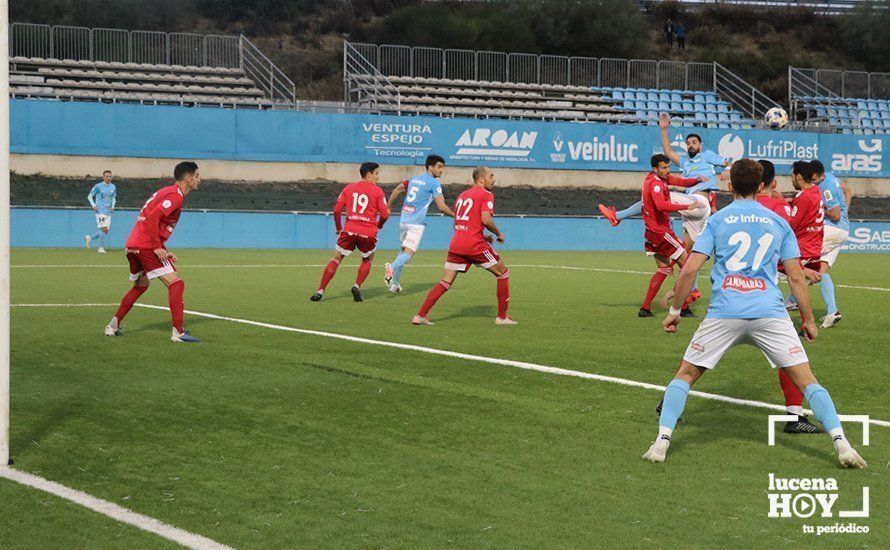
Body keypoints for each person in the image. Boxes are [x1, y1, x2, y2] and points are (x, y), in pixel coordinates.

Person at [642, 159, 866, 469]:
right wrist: (809, 320)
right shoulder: (777, 222)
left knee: (686, 376)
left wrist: (675, 310)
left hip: (725, 312)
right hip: (769, 313)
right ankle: (842, 445)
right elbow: (796, 276)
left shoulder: (718, 221)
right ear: (762, 186)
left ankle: (661, 442)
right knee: (807, 380)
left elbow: (690, 269)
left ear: (730, 185)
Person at [755, 160, 823, 434]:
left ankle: (671, 401)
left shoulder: (730, 212)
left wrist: (677, 299)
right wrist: (808, 318)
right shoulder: (779, 208)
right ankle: (795, 417)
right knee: (792, 356)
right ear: (771, 183)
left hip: (729, 299)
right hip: (764, 302)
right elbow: (777, 254)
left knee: (696, 360)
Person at [105, 162, 202, 343]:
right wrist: (157, 247)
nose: (199, 180)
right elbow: (152, 218)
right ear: (188, 178)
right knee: (176, 284)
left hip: (133, 245)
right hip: (146, 246)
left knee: (141, 285)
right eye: (197, 176)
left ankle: (112, 326)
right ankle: (178, 333)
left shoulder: (166, 192)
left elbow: (149, 220)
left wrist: (162, 249)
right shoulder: (175, 196)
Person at [413, 166, 515, 326]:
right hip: (474, 245)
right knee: (503, 273)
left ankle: (420, 315)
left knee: (445, 281)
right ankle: (502, 317)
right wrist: (498, 234)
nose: (493, 179)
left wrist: (482, 235)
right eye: (491, 176)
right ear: (481, 179)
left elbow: (459, 221)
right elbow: (486, 219)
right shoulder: (487, 194)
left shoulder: (462, 196)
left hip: (457, 243)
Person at [311, 162, 389, 303]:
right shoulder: (378, 191)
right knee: (367, 259)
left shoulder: (349, 188)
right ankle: (357, 285)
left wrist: (338, 228)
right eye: (376, 173)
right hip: (368, 232)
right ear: (369, 174)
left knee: (336, 258)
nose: (378, 177)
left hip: (349, 229)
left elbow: (336, 210)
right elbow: (385, 214)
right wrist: (379, 226)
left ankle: (320, 291)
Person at [384, 155, 454, 293]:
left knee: (402, 252)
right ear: (430, 167)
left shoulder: (413, 179)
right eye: (439, 167)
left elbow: (397, 190)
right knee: (408, 255)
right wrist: (455, 216)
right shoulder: (434, 184)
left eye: (442, 168)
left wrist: (389, 206)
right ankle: (391, 267)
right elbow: (442, 207)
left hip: (403, 220)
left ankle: (395, 284)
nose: (441, 170)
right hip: (416, 223)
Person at [638, 154, 698, 318]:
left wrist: (697, 180)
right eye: (664, 168)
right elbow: (660, 205)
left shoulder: (654, 178)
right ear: (655, 169)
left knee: (663, 269)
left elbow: (682, 182)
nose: (667, 170)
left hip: (651, 233)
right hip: (661, 232)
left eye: (668, 167)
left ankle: (645, 308)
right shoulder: (656, 184)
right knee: (688, 266)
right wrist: (687, 206)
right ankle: (683, 307)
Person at [812, 160, 850, 328]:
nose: (813, 182)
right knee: (820, 271)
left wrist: (820, 210)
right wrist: (845, 213)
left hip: (831, 229)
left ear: (819, 176)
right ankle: (832, 311)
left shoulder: (825, 187)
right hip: (842, 230)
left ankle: (792, 301)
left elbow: (834, 215)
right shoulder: (830, 176)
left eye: (814, 180)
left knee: (801, 259)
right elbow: (848, 191)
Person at [783, 160, 825, 312]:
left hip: (803, 248)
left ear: (799, 177)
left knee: (772, 267)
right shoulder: (816, 191)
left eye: (792, 176)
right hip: (814, 246)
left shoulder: (804, 196)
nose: (792, 179)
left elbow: (791, 224)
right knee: (797, 283)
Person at [85, 170, 117, 254]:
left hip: (108, 212)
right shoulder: (98, 186)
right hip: (100, 211)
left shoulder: (113, 187)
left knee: (105, 231)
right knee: (103, 229)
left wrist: (113, 206)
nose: (108, 178)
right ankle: (101, 248)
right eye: (106, 176)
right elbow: (89, 196)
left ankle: (90, 238)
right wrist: (93, 205)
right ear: (103, 177)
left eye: (110, 176)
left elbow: (113, 197)